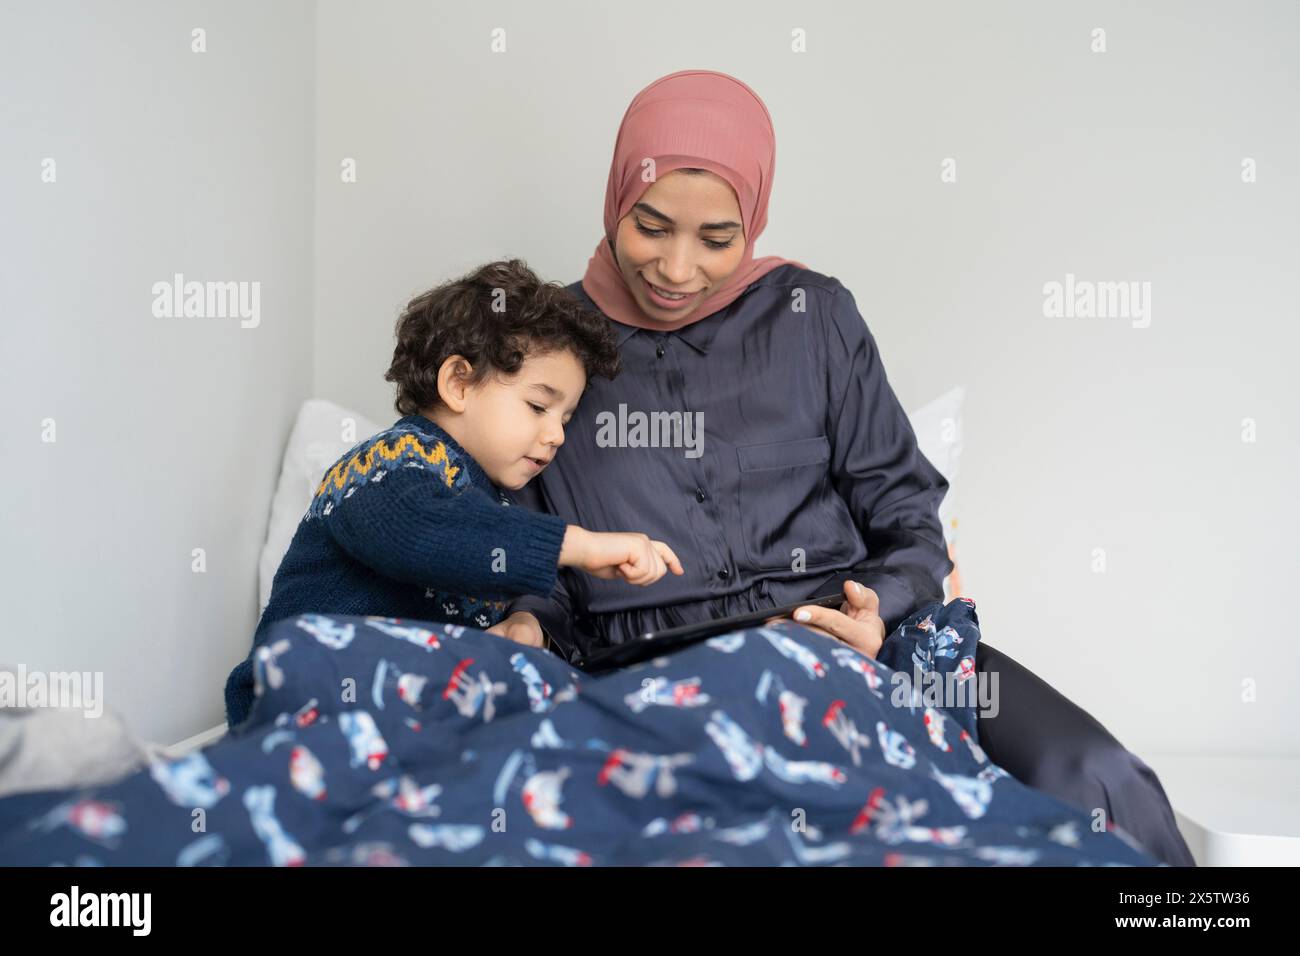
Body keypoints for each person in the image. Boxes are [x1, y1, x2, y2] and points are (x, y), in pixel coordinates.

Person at [490, 70, 1195, 867]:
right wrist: (527, 621)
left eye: (717, 240)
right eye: (650, 226)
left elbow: (908, 517)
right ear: (617, 197)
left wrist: (878, 610)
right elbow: (528, 546)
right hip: (665, 680)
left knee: (1096, 782)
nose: (677, 270)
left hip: (864, 646)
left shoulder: (813, 316)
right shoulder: (545, 347)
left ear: (752, 222)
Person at [222, 259, 682, 728]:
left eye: (565, 419)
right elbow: (426, 533)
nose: (557, 435)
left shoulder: (491, 502)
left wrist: (516, 630)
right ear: (457, 383)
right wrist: (579, 545)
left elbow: (480, 568)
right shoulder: (389, 461)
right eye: (538, 406)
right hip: (299, 694)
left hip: (395, 716)